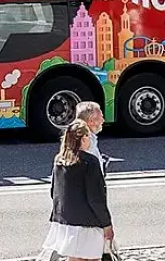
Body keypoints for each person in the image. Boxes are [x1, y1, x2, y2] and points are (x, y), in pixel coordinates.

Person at [41, 120, 114, 261]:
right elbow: (96, 198)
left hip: (66, 221)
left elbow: (54, 192)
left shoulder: (59, 160)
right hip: (88, 222)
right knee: (91, 258)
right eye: (88, 136)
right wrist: (107, 224)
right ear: (84, 138)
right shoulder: (90, 161)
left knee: (74, 258)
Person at [75, 101, 106, 173]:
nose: (103, 121)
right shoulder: (86, 142)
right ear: (91, 121)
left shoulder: (74, 137)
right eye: (100, 117)